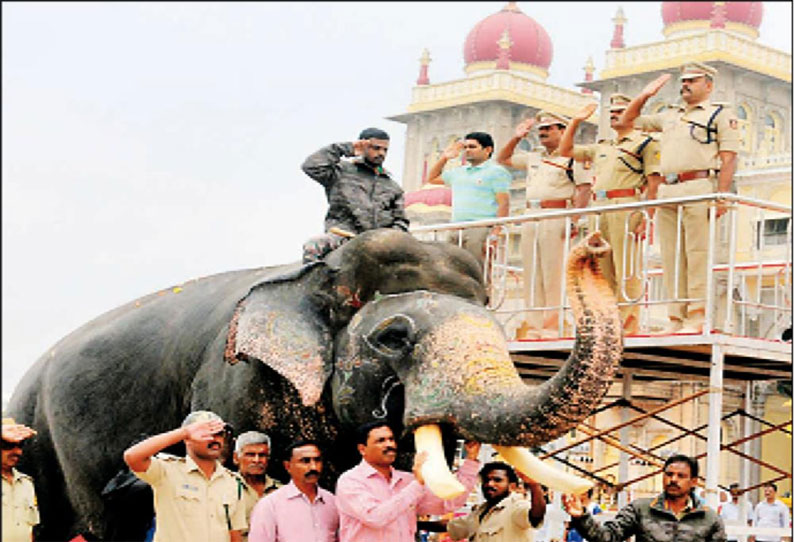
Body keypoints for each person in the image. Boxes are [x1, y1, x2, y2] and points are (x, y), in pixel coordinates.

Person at [621, 61, 741, 334]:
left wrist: (721, 195)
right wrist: (644, 96)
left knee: (696, 254)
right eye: (683, 81)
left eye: (693, 80)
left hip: (698, 185)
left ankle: (696, 315)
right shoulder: (670, 115)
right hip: (668, 188)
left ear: (708, 85)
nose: (685, 85)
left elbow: (729, 156)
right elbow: (628, 121)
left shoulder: (720, 114)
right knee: (672, 256)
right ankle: (676, 318)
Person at [559, 95, 664, 335]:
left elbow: (654, 182)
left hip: (626, 204)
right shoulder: (603, 146)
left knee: (627, 267)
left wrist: (648, 217)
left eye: (620, 111)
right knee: (602, 269)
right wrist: (575, 121)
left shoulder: (645, 143)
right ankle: (607, 321)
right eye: (612, 112)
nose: (614, 115)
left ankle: (628, 324)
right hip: (600, 206)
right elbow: (565, 150)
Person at [497, 111, 591, 339]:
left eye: (549, 128)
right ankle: (534, 325)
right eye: (541, 130)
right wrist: (517, 137)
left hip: (555, 213)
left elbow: (584, 188)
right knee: (532, 274)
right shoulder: (535, 157)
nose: (543, 133)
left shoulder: (573, 156)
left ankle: (551, 325)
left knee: (552, 273)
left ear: (563, 130)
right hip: (531, 214)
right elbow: (503, 159)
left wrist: (575, 219)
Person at [335, 421, 481, 542]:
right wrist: (417, 484)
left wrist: (471, 461)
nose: (389, 445)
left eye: (391, 439)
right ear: (362, 449)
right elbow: (375, 517)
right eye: (381, 441)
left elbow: (448, 503)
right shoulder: (350, 481)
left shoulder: (407, 480)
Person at [123, 410, 246, 542]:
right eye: (206, 434)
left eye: (219, 434)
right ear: (187, 440)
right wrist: (184, 432)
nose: (215, 439)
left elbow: (234, 534)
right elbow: (132, 457)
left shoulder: (233, 481)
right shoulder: (167, 471)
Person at [301, 127, 409, 263]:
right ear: (362, 145)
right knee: (314, 245)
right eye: (376, 148)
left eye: (385, 150)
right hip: (343, 236)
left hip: (380, 242)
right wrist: (347, 148)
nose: (381, 153)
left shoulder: (393, 187)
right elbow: (311, 166)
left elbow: (401, 221)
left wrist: (389, 238)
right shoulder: (340, 172)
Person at [562, 454, 726, 542]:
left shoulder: (709, 518)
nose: (673, 479)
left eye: (680, 476)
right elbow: (607, 537)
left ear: (693, 482)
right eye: (669, 474)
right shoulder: (640, 509)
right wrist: (581, 516)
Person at [425, 131, 512, 267]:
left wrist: (496, 232)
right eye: (465, 147)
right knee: (452, 270)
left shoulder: (496, 172)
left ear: (488, 150)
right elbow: (431, 178)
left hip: (480, 229)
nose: (467, 151)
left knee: (477, 271)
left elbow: (504, 203)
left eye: (472, 147)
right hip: (455, 229)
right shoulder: (459, 172)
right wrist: (445, 158)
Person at [248, 439, 338, 542]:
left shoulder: (332, 502)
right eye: (305, 461)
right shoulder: (270, 505)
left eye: (317, 460)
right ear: (288, 466)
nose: (313, 467)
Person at [447, 461, 546, 542]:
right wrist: (431, 523)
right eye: (486, 480)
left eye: (497, 480)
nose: (489, 484)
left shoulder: (516, 506)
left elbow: (536, 515)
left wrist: (534, 485)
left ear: (512, 486)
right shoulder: (480, 512)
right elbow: (453, 526)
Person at [233, 431, 283, 541]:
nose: (257, 460)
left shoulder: (281, 491)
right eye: (250, 455)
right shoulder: (225, 488)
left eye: (262, 455)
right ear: (236, 458)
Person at [2, 418, 39, 542]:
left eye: (20, 445)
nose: (16, 452)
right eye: (8, 445)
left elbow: (30, 529)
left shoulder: (26, 483)